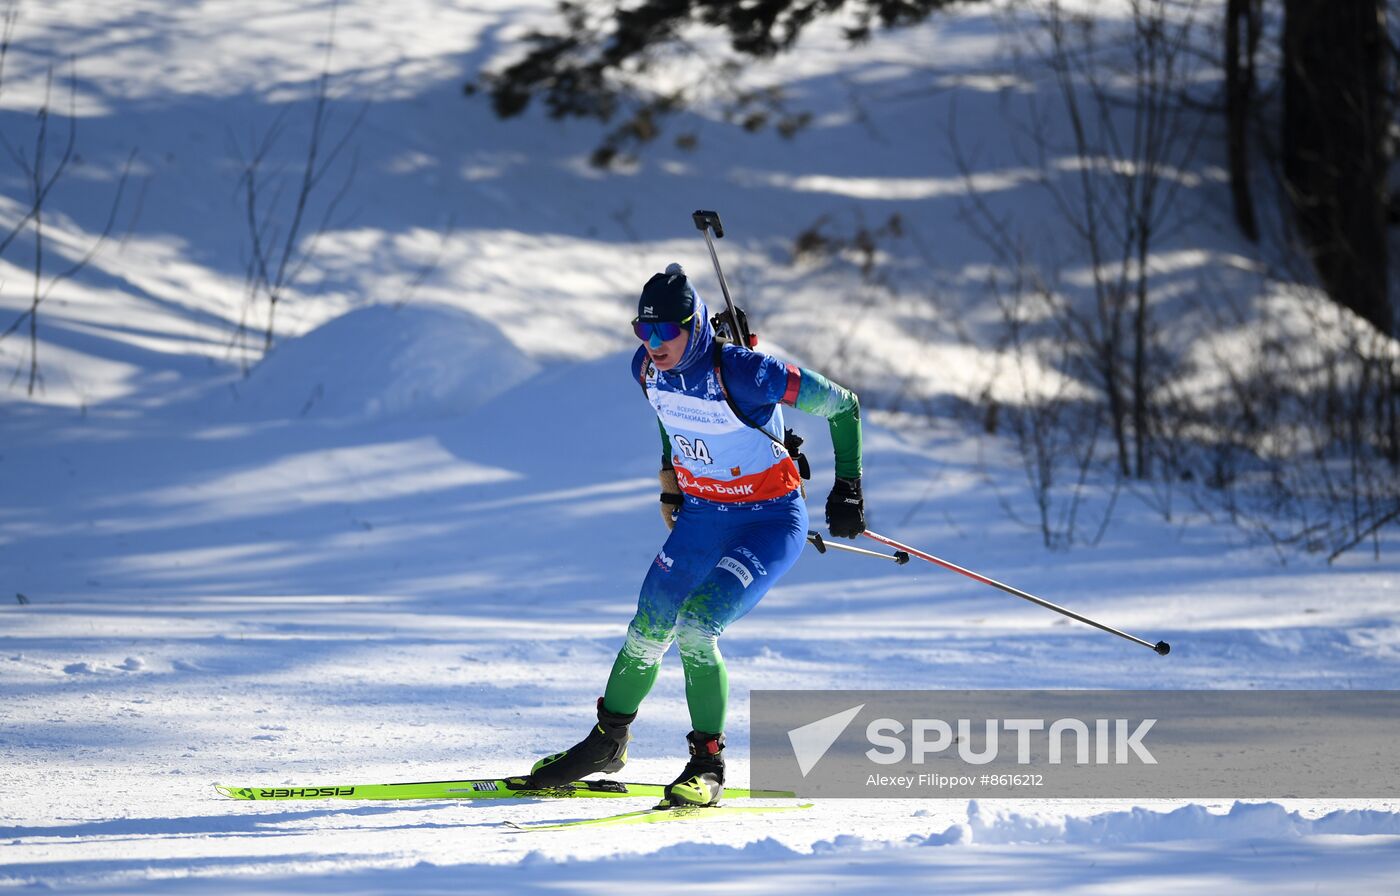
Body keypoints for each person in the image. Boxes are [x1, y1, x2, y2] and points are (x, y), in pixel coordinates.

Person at [524, 264, 865, 806]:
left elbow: (844, 405)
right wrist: (670, 479)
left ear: (696, 325)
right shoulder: (645, 369)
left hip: (769, 520)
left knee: (696, 627)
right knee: (647, 627)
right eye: (644, 330)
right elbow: (668, 414)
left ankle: (707, 764)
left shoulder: (751, 373)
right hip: (704, 516)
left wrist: (849, 485)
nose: (653, 343)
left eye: (666, 331)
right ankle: (607, 743)